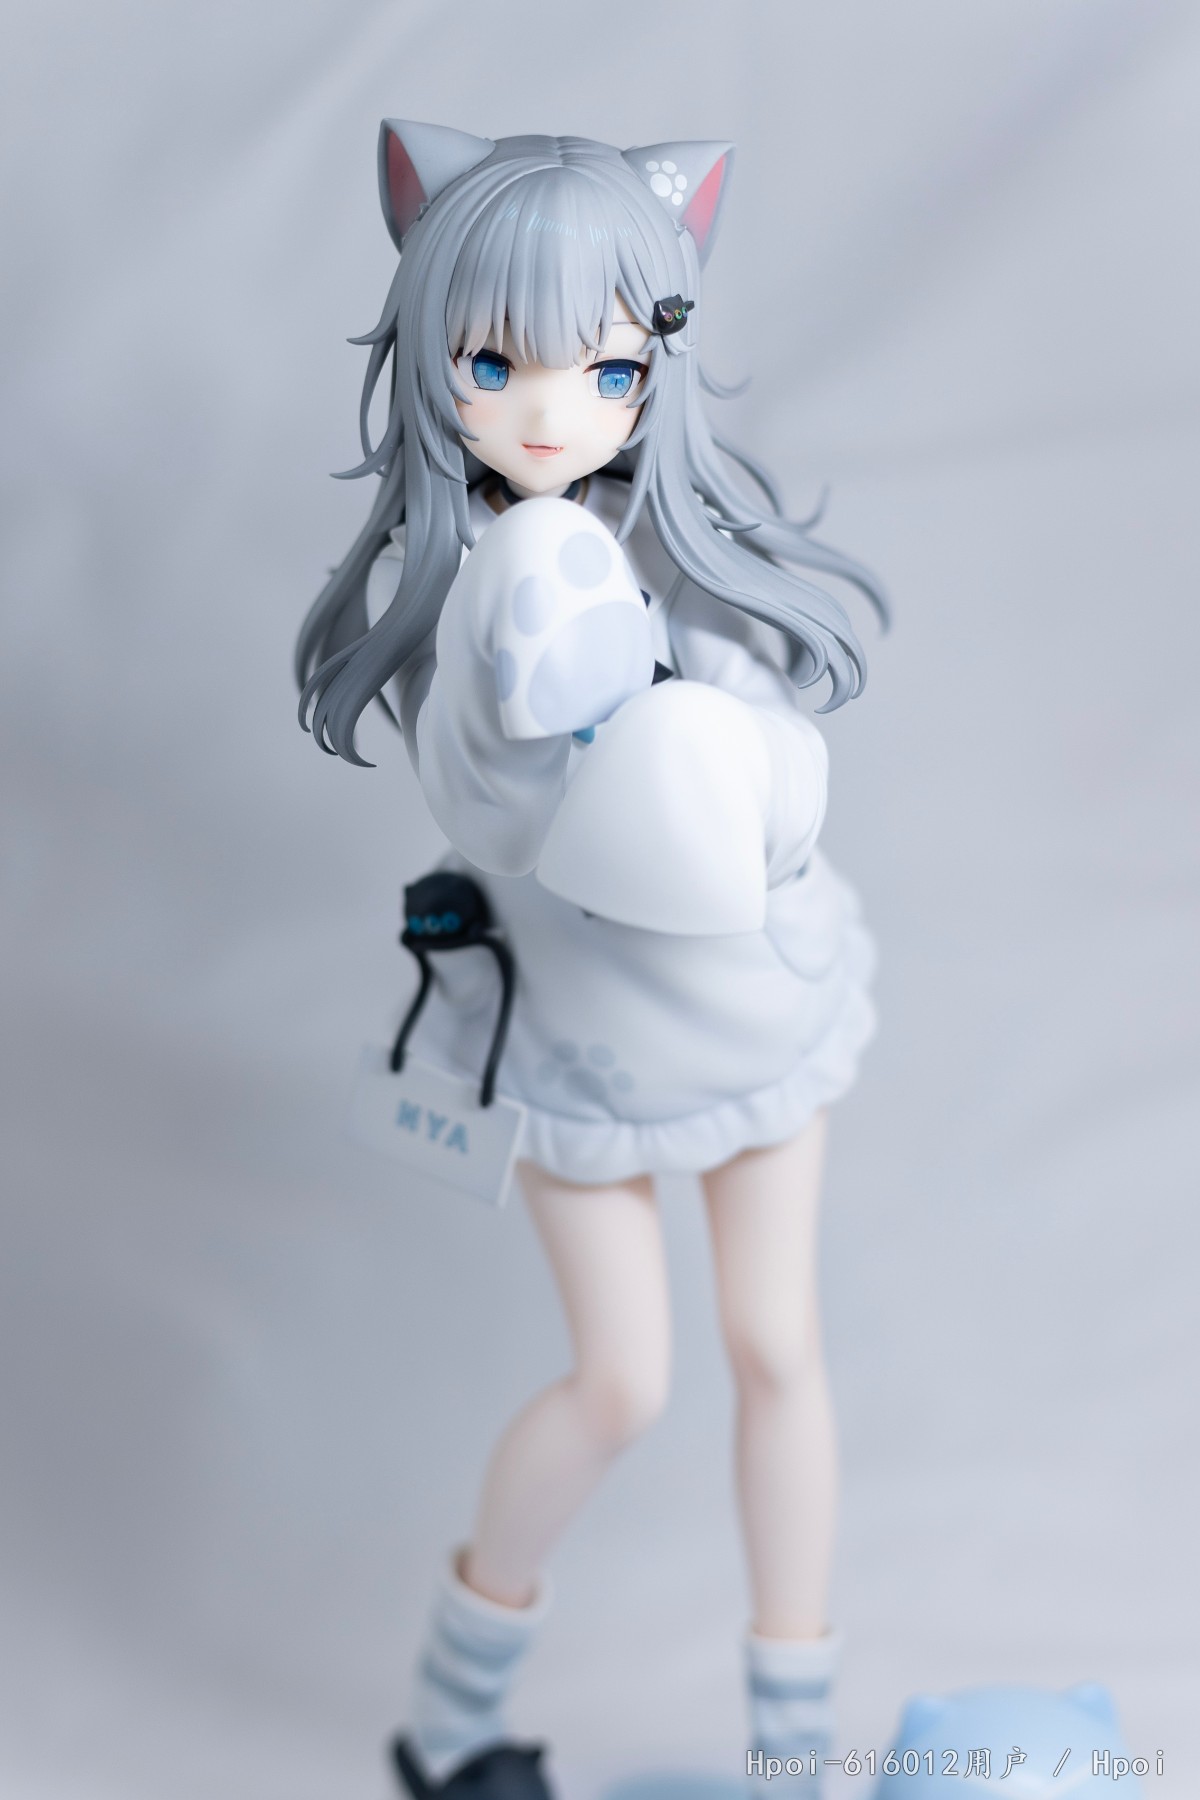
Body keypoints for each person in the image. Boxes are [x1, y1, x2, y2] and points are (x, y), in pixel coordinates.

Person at [297, 121, 887, 1800]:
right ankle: (453, 1722)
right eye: (494, 365)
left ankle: (798, 1758)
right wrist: (544, 709)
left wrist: (715, 753)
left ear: (656, 366)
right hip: (570, 1021)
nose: (550, 412)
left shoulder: (679, 548)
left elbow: (773, 770)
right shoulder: (467, 582)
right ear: (436, 358)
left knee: (777, 1349)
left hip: (743, 997)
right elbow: (486, 813)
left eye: (608, 367)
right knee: (622, 1380)